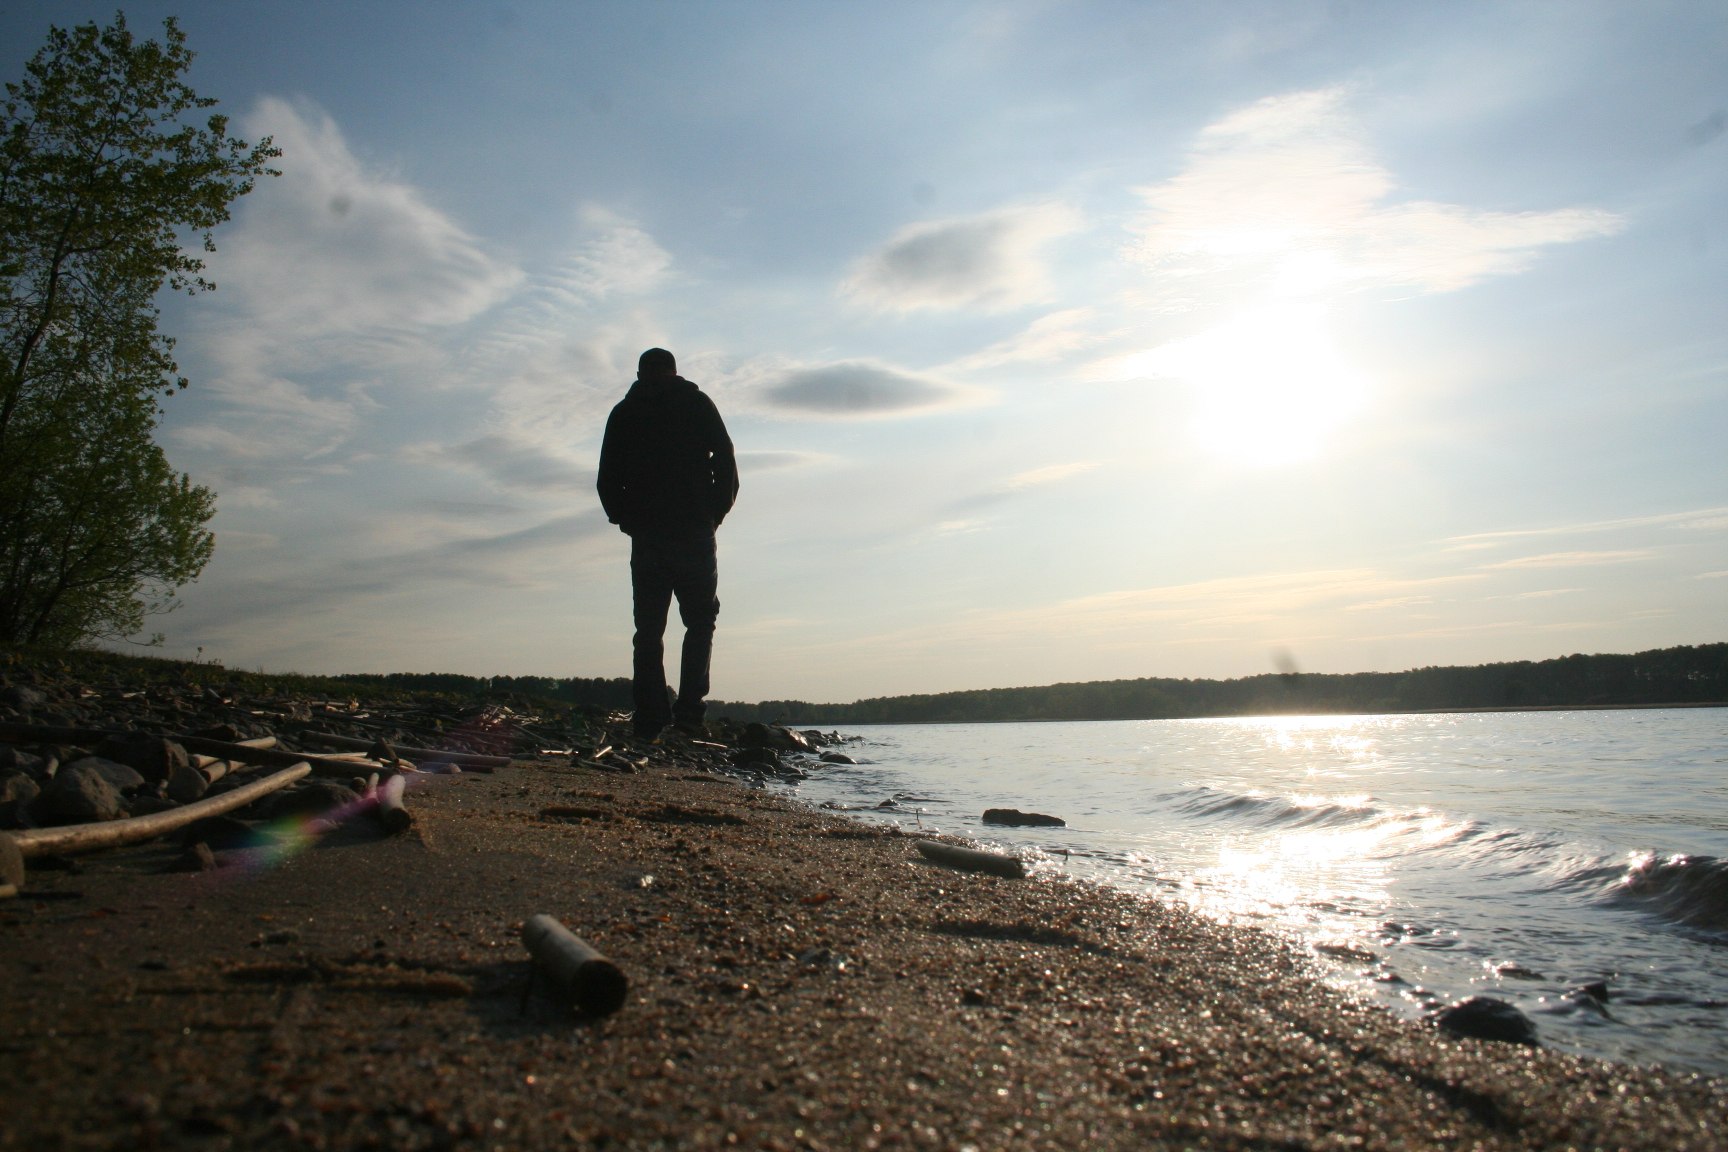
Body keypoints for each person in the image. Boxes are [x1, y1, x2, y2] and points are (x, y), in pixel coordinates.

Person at [596, 348, 739, 739]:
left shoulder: (626, 412)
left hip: (652, 533)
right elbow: (725, 457)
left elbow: (607, 475)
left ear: (640, 374)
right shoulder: (695, 403)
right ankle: (688, 715)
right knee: (699, 621)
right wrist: (715, 511)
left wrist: (625, 518)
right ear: (674, 372)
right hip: (690, 529)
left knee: (649, 628)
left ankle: (651, 716)